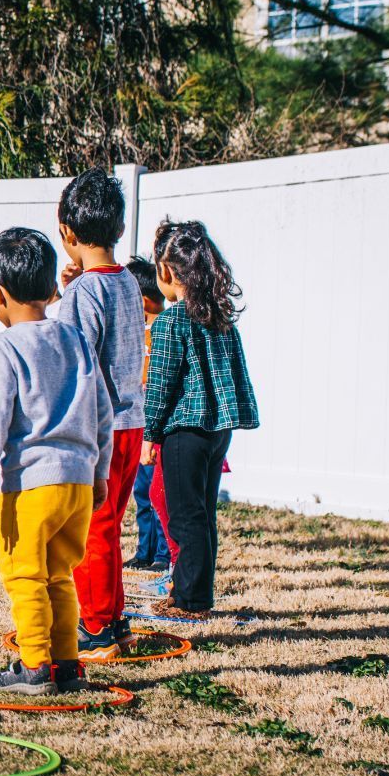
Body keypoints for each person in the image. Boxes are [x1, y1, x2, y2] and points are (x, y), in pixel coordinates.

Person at [0, 228, 112, 695]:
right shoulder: (77, 339)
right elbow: (102, 410)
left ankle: (35, 665)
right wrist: (99, 472)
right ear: (51, 289)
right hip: (78, 486)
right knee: (60, 575)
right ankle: (66, 663)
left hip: (31, 487)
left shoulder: (4, 347)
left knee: (24, 574)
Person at [142, 219, 260, 620]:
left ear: (168, 272)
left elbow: (160, 384)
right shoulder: (219, 318)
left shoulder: (172, 321)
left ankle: (191, 601)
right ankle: (195, 593)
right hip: (217, 432)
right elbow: (236, 376)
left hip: (184, 432)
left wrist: (149, 434)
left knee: (183, 516)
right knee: (203, 514)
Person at [54, 168, 145, 659]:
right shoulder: (128, 281)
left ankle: (96, 628)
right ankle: (114, 620)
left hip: (100, 429)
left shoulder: (83, 294)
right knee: (109, 524)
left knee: (90, 528)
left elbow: (74, 361)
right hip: (132, 423)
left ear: (67, 233)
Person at [124, 256, 171, 572]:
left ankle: (163, 554)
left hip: (160, 426)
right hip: (140, 423)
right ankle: (144, 551)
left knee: (159, 494)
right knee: (141, 491)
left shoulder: (166, 327)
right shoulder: (135, 329)